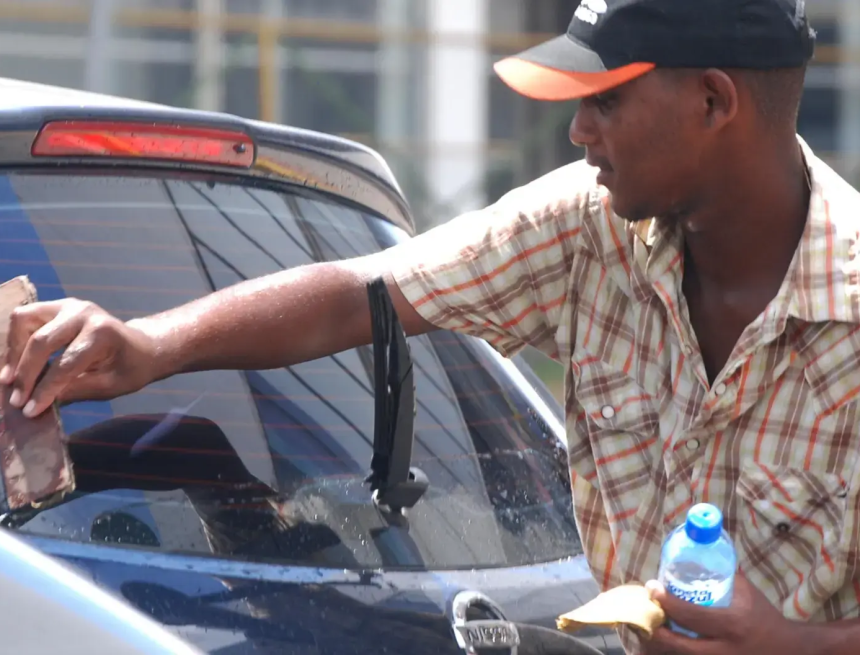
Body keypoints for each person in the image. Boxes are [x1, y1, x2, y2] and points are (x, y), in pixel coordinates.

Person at [1, 0, 858, 652]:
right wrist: (150, 346)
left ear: (713, 101)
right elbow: (368, 292)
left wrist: (790, 645)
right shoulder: (589, 229)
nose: (578, 130)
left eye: (607, 99)